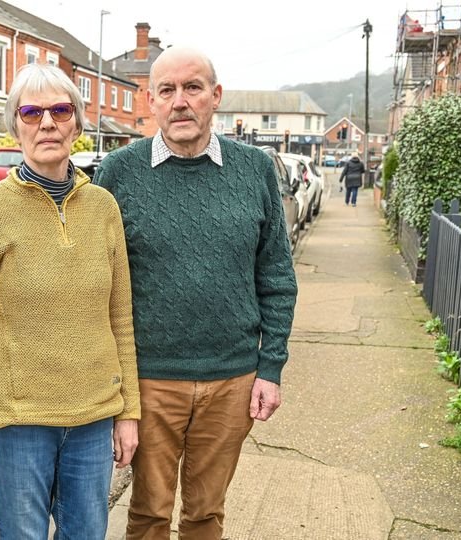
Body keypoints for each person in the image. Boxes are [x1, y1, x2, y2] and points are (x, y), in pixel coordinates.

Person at [94, 46, 297, 540]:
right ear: (152, 101)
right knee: (147, 514)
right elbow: (98, 282)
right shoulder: (119, 173)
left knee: (206, 514)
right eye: (167, 90)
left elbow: (276, 276)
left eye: (193, 88)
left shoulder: (253, 170)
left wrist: (270, 368)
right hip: (149, 382)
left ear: (215, 96)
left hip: (232, 381)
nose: (180, 102)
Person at [0, 63, 140, 540]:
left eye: (59, 110)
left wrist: (128, 411)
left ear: (76, 123)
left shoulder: (103, 209)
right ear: (15, 126)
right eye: (31, 112)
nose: (46, 123)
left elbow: (121, 320)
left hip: (92, 420)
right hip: (18, 425)